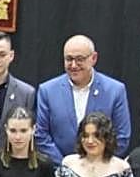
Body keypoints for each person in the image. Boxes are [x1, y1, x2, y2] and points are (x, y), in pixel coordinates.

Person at [34, 34, 131, 164]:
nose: (74, 65)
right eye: (69, 59)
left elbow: (122, 137)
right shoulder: (47, 91)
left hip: (102, 170)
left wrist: (97, 164)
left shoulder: (115, 91)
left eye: (80, 59)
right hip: (60, 169)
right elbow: (41, 136)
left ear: (94, 58)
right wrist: (67, 166)